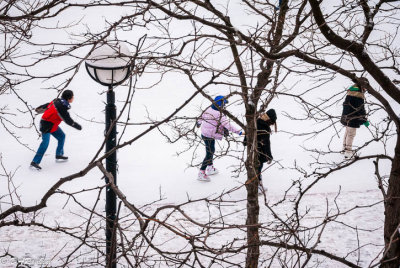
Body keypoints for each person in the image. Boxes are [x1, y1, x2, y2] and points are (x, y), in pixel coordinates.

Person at [30, 90, 82, 170]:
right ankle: (35, 162)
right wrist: (77, 126)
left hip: (52, 124)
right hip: (46, 125)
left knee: (61, 136)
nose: (73, 98)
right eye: (72, 96)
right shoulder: (62, 108)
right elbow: (68, 120)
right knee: (45, 143)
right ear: (68, 98)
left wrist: (39, 108)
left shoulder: (57, 100)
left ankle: (59, 154)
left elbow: (47, 105)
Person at [196, 96, 244, 181]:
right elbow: (227, 125)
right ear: (220, 104)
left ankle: (210, 168)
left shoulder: (208, 108)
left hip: (205, 134)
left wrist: (199, 123)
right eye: (224, 104)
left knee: (210, 150)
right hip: (209, 135)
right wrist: (239, 132)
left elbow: (201, 116)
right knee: (209, 153)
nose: (224, 105)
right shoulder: (219, 114)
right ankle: (201, 172)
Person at [243, 109, 277, 194]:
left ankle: (258, 185)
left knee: (256, 167)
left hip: (252, 150)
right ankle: (256, 186)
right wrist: (269, 156)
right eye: (272, 122)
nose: (272, 124)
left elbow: (248, 132)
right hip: (259, 151)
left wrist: (245, 141)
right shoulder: (264, 127)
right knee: (258, 167)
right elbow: (266, 143)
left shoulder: (255, 121)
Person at [340, 84, 369, 159]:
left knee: (347, 132)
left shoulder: (349, 94)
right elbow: (360, 110)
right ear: (361, 87)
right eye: (365, 88)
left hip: (346, 117)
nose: (365, 90)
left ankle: (344, 149)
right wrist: (364, 120)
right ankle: (348, 152)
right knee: (351, 134)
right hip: (353, 118)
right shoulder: (358, 96)